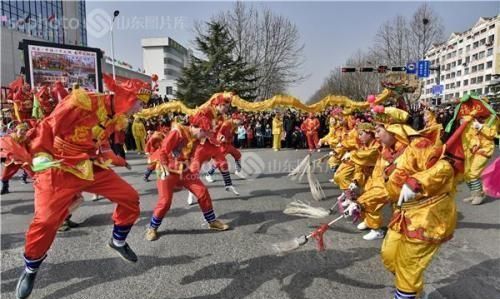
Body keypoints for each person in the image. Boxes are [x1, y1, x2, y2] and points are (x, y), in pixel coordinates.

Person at [14, 75, 152, 299]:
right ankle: (30, 269)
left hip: (88, 165)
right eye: (141, 102)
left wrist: (115, 159)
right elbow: (48, 126)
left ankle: (117, 241)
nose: (142, 108)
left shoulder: (116, 116)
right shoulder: (82, 101)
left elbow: (101, 141)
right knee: (47, 221)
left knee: (129, 196)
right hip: (59, 166)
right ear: (128, 98)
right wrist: (39, 156)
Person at [145, 110, 230, 241]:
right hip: (167, 170)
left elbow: (208, 147)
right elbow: (163, 150)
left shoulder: (197, 137)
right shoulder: (178, 132)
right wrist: (164, 165)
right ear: (197, 128)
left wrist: (219, 142)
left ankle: (212, 221)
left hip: (185, 171)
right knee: (165, 202)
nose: (205, 136)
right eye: (204, 132)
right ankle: (152, 228)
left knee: (202, 191)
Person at [445, 94, 497, 205]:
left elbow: (492, 134)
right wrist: (463, 123)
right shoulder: (471, 118)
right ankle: (474, 194)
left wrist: (481, 127)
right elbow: (465, 136)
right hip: (470, 149)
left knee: (474, 173)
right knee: (467, 174)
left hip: (484, 149)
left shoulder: (493, 118)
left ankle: (479, 195)